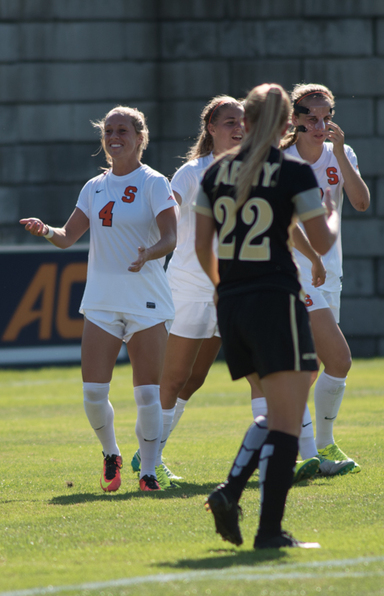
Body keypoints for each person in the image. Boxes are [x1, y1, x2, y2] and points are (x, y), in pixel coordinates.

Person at [195, 83, 338, 549]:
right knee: (288, 422)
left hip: (232, 303)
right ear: (284, 126)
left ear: (248, 122)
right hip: (275, 299)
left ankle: (231, 493)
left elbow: (202, 247)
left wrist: (224, 291)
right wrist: (330, 212)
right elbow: (326, 238)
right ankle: (269, 531)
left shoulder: (215, 172)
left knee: (277, 413)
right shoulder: (291, 171)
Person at [20, 105, 177, 493]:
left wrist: (149, 253)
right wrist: (45, 230)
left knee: (147, 395)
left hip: (146, 301)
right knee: (92, 393)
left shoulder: (154, 182)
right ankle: (111, 453)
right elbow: (68, 236)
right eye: (108, 131)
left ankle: (150, 471)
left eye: (122, 130)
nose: (114, 137)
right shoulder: (93, 187)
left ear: (140, 138)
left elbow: (172, 237)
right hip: (103, 301)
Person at [130, 96, 244, 488]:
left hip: (227, 290)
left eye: (243, 121)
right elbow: (166, 220)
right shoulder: (191, 173)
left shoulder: (252, 171)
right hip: (189, 286)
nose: (238, 127)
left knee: (195, 378)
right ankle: (151, 457)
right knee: (173, 377)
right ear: (211, 128)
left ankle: (149, 449)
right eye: (229, 121)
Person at [282, 83, 368, 474]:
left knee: (319, 367)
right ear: (295, 120)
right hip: (294, 272)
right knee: (339, 359)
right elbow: (281, 224)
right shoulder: (280, 160)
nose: (320, 125)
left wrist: (340, 156)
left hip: (329, 273)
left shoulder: (341, 153)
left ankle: (314, 447)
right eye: (311, 118)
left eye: (326, 118)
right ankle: (314, 448)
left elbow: (362, 202)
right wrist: (313, 257)